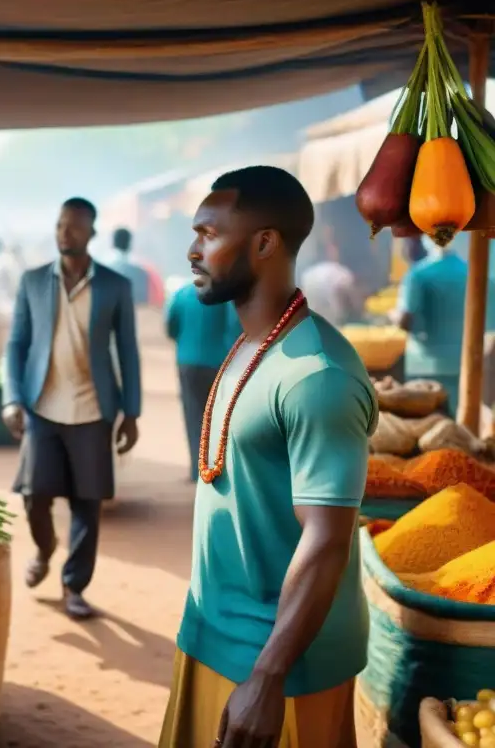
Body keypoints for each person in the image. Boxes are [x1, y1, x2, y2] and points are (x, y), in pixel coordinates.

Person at [158, 166, 377, 748]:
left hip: (278, 668)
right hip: (213, 635)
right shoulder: (252, 344)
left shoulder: (317, 375)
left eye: (208, 233)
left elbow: (327, 537)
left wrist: (268, 675)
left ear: (264, 243)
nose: (192, 250)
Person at [2, 197, 141, 621]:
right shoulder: (32, 281)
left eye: (75, 227)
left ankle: (74, 585)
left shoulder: (116, 286)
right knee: (34, 496)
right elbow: (16, 344)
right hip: (42, 406)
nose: (66, 233)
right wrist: (12, 397)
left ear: (92, 232)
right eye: (61, 225)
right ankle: (44, 549)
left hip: (93, 409)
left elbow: (128, 351)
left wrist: (130, 412)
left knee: (88, 503)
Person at [394, 239, 495, 418]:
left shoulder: (418, 275)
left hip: (425, 367)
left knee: (425, 431)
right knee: (461, 428)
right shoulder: (475, 274)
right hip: (465, 364)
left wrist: (392, 315)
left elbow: (405, 320)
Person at [165, 280, 241, 482]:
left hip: (187, 361)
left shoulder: (181, 294)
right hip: (218, 362)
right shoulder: (224, 296)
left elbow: (171, 326)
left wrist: (184, 342)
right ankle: (216, 467)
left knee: (193, 415)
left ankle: (196, 470)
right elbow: (234, 326)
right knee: (218, 416)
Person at [299, 236, 360, 327]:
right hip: (336, 326)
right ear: (330, 251)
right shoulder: (340, 273)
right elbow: (354, 302)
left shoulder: (307, 274)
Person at [106, 227, 151, 305]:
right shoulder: (141, 273)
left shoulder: (103, 271)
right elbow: (143, 304)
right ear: (129, 244)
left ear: (113, 243)